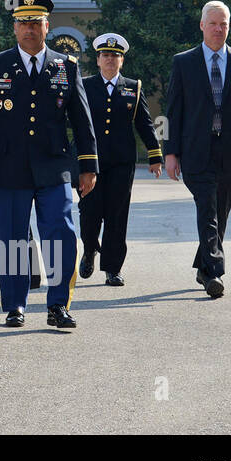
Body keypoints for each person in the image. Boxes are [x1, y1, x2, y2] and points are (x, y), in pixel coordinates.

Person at [0, 0, 98, 329]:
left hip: (54, 167)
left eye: (35, 23)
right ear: (14, 27)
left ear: (46, 26)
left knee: (61, 235)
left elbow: (81, 119)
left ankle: (58, 305)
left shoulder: (66, 66)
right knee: (12, 238)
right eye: (23, 23)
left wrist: (88, 165)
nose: (29, 29)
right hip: (8, 167)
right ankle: (15, 305)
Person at [164, 1, 231, 298]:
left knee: (220, 212)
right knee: (207, 208)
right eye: (213, 23)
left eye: (223, 24)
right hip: (196, 150)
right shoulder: (183, 62)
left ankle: (203, 265)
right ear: (201, 25)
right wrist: (170, 152)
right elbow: (172, 112)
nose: (218, 29)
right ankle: (216, 273)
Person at [78, 33, 163, 286]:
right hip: (90, 162)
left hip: (121, 163)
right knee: (89, 214)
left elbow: (145, 123)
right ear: (98, 60)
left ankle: (113, 268)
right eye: (105, 55)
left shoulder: (132, 87)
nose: (110, 60)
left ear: (122, 61)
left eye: (115, 56)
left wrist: (154, 154)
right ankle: (90, 249)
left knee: (117, 215)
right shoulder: (84, 85)